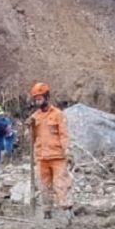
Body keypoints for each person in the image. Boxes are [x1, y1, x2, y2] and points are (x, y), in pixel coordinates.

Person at [27, 82, 72, 221]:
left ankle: (66, 210)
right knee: (44, 186)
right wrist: (30, 128)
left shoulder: (58, 115)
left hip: (57, 156)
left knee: (61, 184)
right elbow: (30, 139)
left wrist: (68, 151)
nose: (38, 100)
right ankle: (47, 211)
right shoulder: (34, 117)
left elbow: (64, 135)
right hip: (42, 157)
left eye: (40, 97)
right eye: (36, 98)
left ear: (47, 97)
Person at [0, 104, 15, 168]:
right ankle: (0, 164)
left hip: (3, 136)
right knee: (0, 151)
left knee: (2, 150)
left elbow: (5, 128)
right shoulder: (0, 118)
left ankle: (1, 164)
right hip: (0, 136)